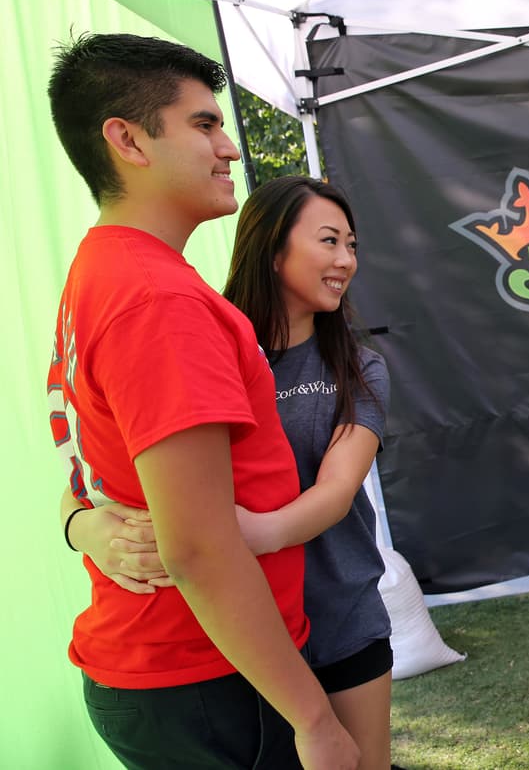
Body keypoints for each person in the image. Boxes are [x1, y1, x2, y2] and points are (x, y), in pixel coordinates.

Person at [47, 33, 358, 768]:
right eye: (204, 125)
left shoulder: (107, 270)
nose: (230, 148)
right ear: (127, 140)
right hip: (206, 676)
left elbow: (94, 466)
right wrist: (314, 720)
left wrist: (78, 523)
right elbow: (197, 546)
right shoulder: (155, 298)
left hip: (186, 666)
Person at [71, 177, 397, 769]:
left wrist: (228, 537)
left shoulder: (360, 366)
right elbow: (97, 466)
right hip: (247, 631)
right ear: (273, 247)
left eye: (352, 245)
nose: (346, 260)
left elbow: (336, 490)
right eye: (329, 241)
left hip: (338, 614)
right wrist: (85, 528)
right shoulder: (205, 337)